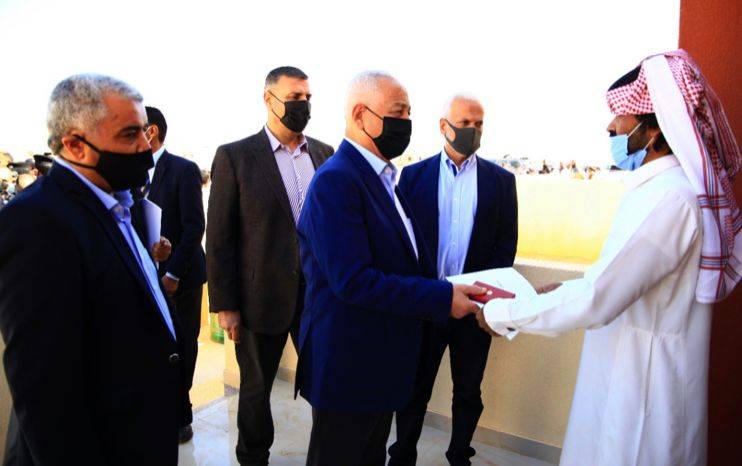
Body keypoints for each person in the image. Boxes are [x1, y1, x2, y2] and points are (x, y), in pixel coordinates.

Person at [477, 50, 741, 466]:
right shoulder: (659, 190)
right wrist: (568, 288)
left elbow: (598, 298)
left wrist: (503, 313)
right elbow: (617, 280)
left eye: (621, 115)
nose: (611, 126)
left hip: (642, 394)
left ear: (655, 127)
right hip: (627, 375)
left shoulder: (670, 199)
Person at [296, 71, 484, 466]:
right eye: (397, 113)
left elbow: (406, 261)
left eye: (409, 113)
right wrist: (441, 298)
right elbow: (353, 280)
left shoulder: (384, 180)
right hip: (349, 371)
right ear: (360, 115)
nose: (406, 123)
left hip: (379, 368)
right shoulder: (337, 181)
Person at [0, 74, 183, 465]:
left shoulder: (122, 202)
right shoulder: (36, 222)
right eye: (129, 135)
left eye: (145, 132)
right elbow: (45, 390)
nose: (145, 148)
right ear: (74, 145)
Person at [206, 66, 334, 466]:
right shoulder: (235, 156)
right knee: (256, 389)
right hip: (258, 297)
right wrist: (226, 305)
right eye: (294, 97)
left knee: (327, 382)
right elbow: (220, 236)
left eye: (308, 98)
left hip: (317, 296)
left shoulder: (325, 154)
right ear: (269, 99)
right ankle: (252, 457)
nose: (303, 105)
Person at [388, 95, 518, 466]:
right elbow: (404, 243)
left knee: (468, 392)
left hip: (474, 310)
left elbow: (504, 247)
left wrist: (484, 302)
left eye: (479, 124)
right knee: (414, 389)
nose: (472, 130)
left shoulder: (501, 181)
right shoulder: (413, 177)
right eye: (464, 123)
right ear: (443, 126)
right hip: (428, 305)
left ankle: (460, 455)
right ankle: (402, 456)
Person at [140, 105, 207, 443]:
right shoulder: (132, 175)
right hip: (148, 279)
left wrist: (174, 274)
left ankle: (182, 412)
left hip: (182, 278)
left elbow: (194, 226)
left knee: (183, 344)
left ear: (151, 131)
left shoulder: (183, 169)